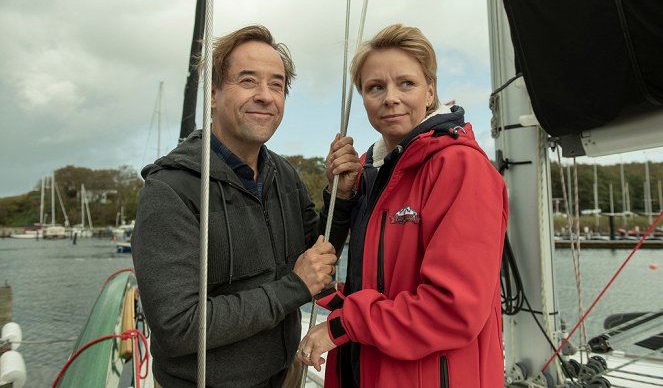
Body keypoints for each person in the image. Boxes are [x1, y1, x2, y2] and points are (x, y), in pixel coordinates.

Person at [132, 25, 361, 388]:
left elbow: (317, 258)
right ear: (212, 95)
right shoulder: (172, 189)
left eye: (276, 85)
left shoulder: (282, 174)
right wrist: (293, 287)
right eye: (248, 81)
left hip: (285, 375)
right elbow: (178, 326)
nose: (265, 96)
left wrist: (340, 198)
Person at [297, 24, 508, 387]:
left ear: (430, 91)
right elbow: (355, 275)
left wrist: (343, 325)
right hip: (367, 372)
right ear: (363, 98)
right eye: (375, 87)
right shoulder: (374, 171)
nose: (390, 97)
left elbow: (453, 308)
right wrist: (342, 199)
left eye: (406, 84)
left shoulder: (460, 167)